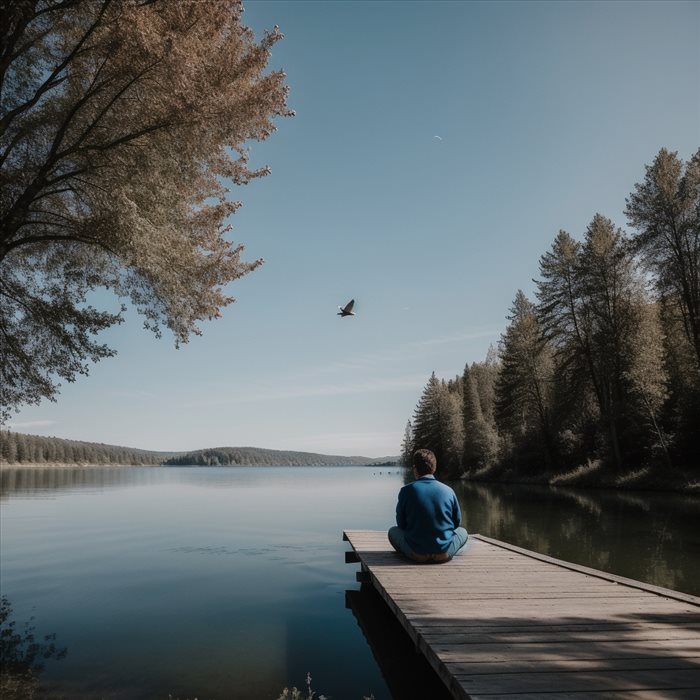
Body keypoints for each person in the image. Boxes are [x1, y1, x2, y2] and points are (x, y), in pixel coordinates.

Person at [388, 449, 468, 563]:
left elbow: (401, 524)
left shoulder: (406, 491)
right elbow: (456, 523)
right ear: (434, 468)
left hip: (416, 553)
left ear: (415, 469)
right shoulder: (448, 490)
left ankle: (414, 553)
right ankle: (442, 553)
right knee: (463, 531)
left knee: (392, 531)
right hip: (443, 553)